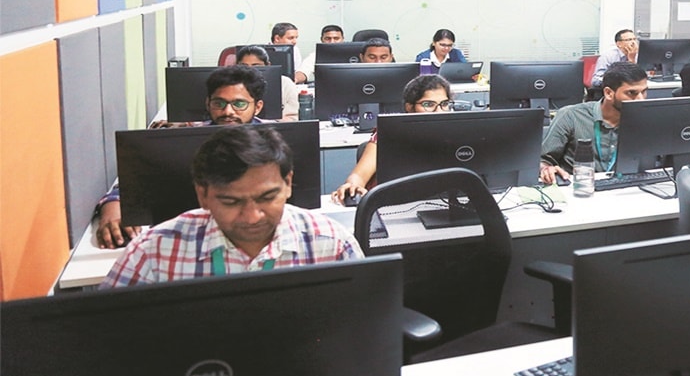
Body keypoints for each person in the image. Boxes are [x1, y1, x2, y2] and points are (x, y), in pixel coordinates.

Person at [102, 126, 362, 287]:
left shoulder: (332, 244)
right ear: (202, 195)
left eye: (267, 197)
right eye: (231, 202)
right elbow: (103, 340)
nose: (252, 217)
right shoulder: (153, 251)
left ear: (287, 184)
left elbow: (367, 327)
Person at [94, 65, 272, 248]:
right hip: (191, 239)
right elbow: (130, 185)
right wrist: (112, 210)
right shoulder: (181, 139)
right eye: (218, 103)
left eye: (239, 104)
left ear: (257, 107)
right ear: (208, 103)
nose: (228, 112)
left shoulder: (276, 140)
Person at [332, 74, 455, 205]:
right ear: (409, 107)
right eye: (428, 104)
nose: (439, 111)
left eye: (444, 104)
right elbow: (359, 176)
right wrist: (353, 185)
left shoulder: (457, 132)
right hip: (392, 207)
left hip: (445, 206)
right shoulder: (389, 133)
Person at [540, 62, 649, 184]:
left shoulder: (646, 120)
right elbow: (543, 160)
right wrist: (545, 169)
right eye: (632, 93)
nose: (641, 99)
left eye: (644, 92)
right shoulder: (571, 116)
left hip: (627, 187)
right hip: (579, 187)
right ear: (609, 93)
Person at [236, 45, 299, 121]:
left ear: (268, 65)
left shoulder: (285, 83)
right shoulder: (231, 85)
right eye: (244, 66)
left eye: (256, 66)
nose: (250, 71)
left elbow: (293, 117)